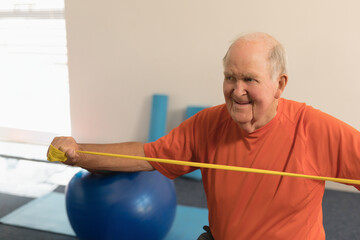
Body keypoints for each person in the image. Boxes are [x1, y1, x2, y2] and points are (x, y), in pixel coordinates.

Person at [49, 32, 360, 239]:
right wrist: (79, 152)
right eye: (230, 77)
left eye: (249, 79)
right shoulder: (209, 124)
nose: (237, 91)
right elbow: (146, 156)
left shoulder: (312, 128)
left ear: (279, 85)